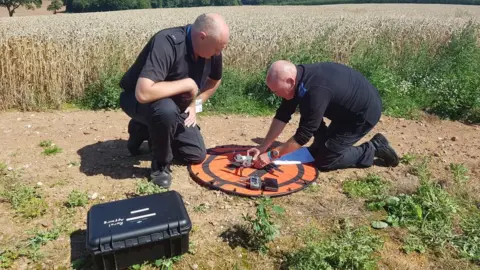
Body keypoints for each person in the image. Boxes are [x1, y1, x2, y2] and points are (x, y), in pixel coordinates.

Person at [119, 13, 230, 188]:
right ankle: (160, 166)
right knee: (165, 110)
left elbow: (215, 80)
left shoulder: (213, 49)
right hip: (137, 100)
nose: (219, 53)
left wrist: (196, 105)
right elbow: (143, 92)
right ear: (202, 37)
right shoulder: (167, 42)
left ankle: (145, 129)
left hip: (174, 107)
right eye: (217, 49)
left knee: (195, 154)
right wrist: (187, 84)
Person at [247, 60, 400, 171]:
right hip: (344, 110)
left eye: (276, 91)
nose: (276, 94)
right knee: (314, 139)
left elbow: (304, 134)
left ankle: (373, 148)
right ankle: (322, 143)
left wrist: (273, 154)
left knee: (325, 160)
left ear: (290, 81)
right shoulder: (299, 80)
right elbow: (283, 114)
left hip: (362, 115)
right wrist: (263, 146)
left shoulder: (314, 91)